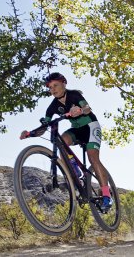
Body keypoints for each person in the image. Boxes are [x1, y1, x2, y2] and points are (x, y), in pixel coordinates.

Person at [20, 72, 113, 211]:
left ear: (64, 83)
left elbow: (88, 109)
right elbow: (45, 125)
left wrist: (80, 110)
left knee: (92, 157)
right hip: (76, 130)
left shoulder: (74, 95)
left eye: (55, 85)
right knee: (61, 141)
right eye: (50, 87)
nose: (53, 89)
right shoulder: (52, 106)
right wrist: (30, 133)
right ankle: (74, 171)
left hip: (90, 127)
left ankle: (106, 194)